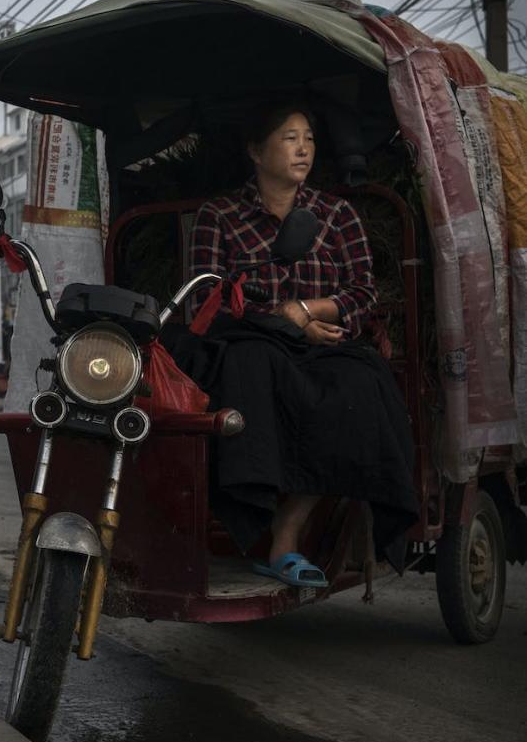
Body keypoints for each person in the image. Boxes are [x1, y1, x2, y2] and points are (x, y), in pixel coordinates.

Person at [167, 100, 417, 587]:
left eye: (309, 138)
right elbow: (206, 302)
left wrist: (306, 312)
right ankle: (244, 519)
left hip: (322, 346)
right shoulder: (220, 217)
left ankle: (287, 534)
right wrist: (281, 323)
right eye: (289, 138)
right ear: (257, 152)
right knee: (249, 364)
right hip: (250, 347)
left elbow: (363, 291)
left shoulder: (335, 214)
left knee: (362, 385)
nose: (303, 148)